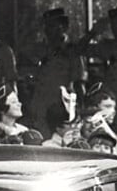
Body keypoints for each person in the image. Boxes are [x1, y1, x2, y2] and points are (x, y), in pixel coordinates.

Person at [28, 8, 86, 136]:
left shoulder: (72, 52)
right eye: (47, 26)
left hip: (60, 108)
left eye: (54, 26)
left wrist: (80, 110)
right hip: (40, 106)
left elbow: (78, 83)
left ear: (63, 27)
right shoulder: (42, 50)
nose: (49, 30)